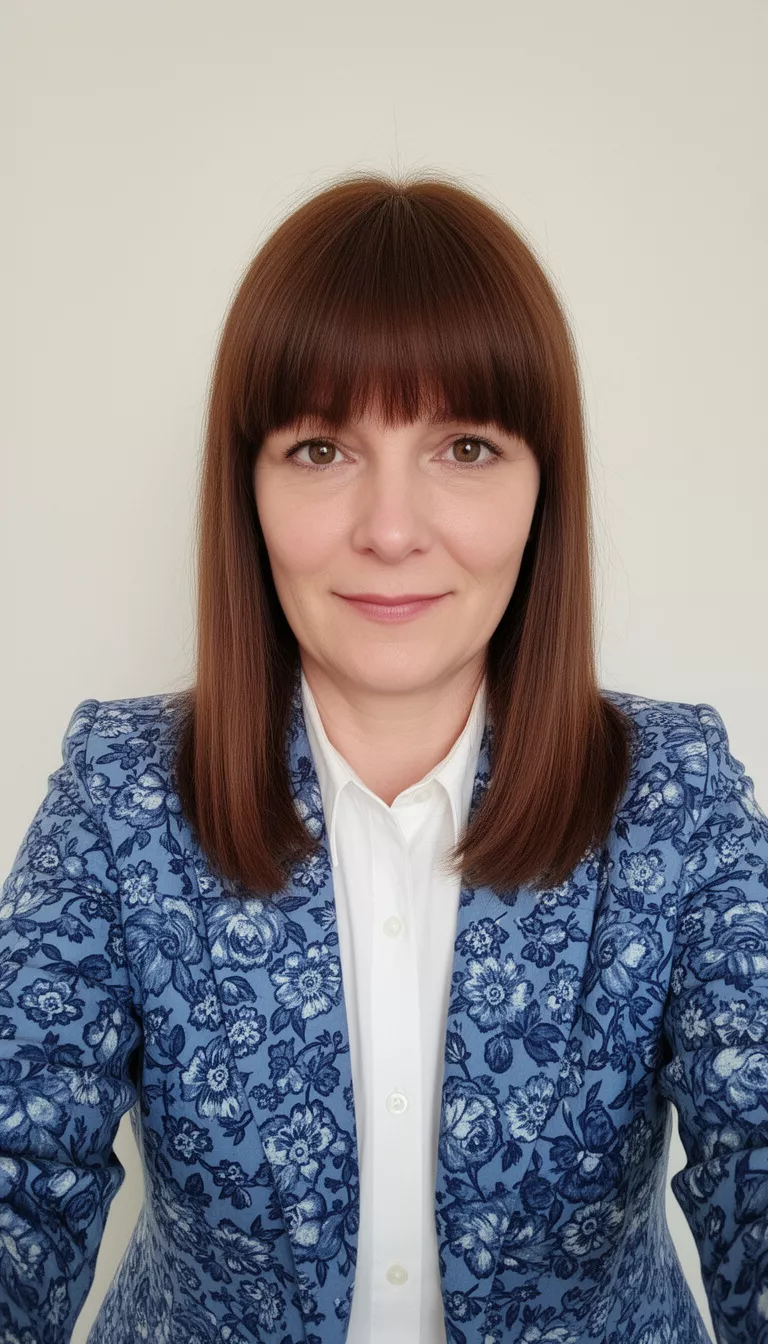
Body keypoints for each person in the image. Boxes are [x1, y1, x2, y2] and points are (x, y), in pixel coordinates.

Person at [1, 170, 766, 1344]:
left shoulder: (672, 795)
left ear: (540, 488)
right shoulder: (122, 792)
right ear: (247, 486)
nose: (393, 527)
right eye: (320, 449)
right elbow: (19, 1159)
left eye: (465, 445)